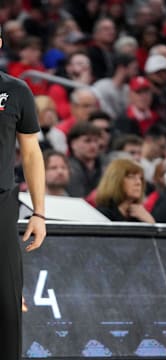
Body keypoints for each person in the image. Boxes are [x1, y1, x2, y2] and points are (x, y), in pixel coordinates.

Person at [0, 26, 46, 360]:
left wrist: (39, 213)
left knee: (6, 304)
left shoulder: (16, 90)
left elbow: (31, 154)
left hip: (1, 205)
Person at [95, 158, 155, 223]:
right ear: (116, 181)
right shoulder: (102, 215)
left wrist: (150, 221)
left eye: (141, 178)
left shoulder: (140, 215)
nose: (138, 182)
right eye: (131, 177)